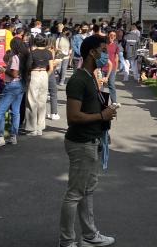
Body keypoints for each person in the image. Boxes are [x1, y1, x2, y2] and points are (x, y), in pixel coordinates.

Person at [59, 35, 117, 247]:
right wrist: (101, 116)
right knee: (75, 193)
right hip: (81, 143)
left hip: (91, 141)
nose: (105, 55)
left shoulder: (91, 77)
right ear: (92, 52)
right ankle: (67, 241)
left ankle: (90, 234)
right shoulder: (78, 80)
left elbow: (89, 108)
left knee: (87, 190)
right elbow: (73, 116)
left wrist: (105, 112)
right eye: (103, 50)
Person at [0, 43, 25, 146]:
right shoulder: (21, 57)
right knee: (15, 111)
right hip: (19, 84)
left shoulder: (15, 58)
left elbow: (14, 74)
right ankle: (13, 136)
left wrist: (4, 70)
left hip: (13, 85)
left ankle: (0, 136)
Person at [26, 34, 52, 136]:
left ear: (35, 42)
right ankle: (40, 127)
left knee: (32, 100)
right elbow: (51, 68)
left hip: (34, 73)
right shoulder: (49, 52)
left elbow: (28, 66)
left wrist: (29, 75)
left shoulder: (32, 53)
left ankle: (32, 128)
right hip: (44, 74)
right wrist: (46, 75)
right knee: (42, 101)